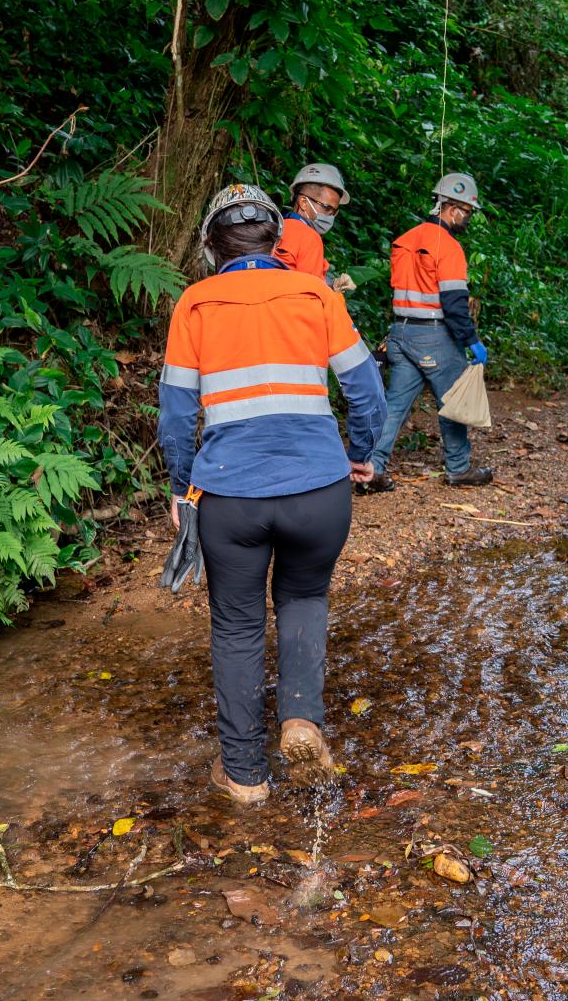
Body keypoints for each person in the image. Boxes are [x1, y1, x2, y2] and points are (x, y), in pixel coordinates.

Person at [158, 184, 386, 805]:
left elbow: (176, 416)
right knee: (305, 596)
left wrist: (182, 488)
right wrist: (360, 456)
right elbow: (367, 393)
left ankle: (244, 776)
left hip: (231, 496)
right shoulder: (316, 292)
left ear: (211, 244)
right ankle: (302, 720)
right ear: (276, 240)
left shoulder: (196, 304)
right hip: (319, 489)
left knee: (236, 625)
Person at [362, 171, 494, 492]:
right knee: (454, 401)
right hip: (433, 337)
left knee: (394, 406)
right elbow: (454, 304)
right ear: (453, 209)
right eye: (468, 212)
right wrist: (471, 341)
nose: (469, 219)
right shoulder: (448, 247)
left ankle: (371, 469)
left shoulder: (405, 239)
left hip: (400, 333)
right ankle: (459, 468)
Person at [274, 162, 351, 290]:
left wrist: (332, 284)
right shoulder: (309, 237)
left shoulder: (276, 226)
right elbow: (311, 292)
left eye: (334, 212)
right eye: (327, 208)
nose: (330, 216)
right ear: (303, 202)